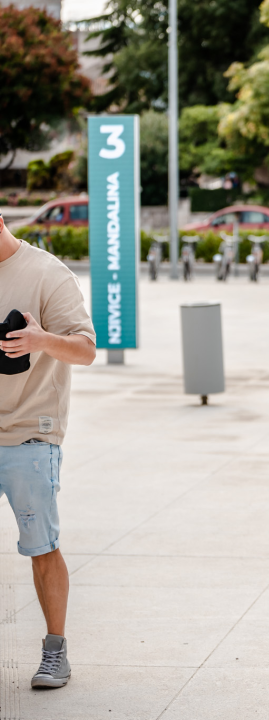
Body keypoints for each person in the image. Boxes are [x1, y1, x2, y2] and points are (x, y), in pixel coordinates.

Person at [0, 210, 97, 689]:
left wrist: (40, 340)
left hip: (30, 435)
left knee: (42, 546)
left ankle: (55, 651)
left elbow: (85, 348)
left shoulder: (46, 273)